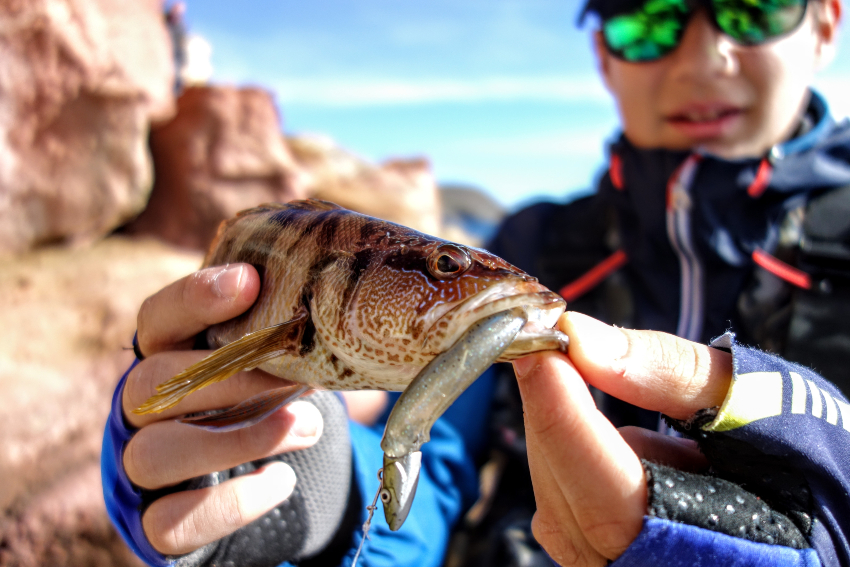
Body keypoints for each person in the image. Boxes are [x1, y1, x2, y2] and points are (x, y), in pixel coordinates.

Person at [101, 0, 850, 566]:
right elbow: (432, 471)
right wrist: (318, 488)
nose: (701, 57)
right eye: (646, 20)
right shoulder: (539, 243)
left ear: (826, 22)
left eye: (754, 8)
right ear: (601, 55)